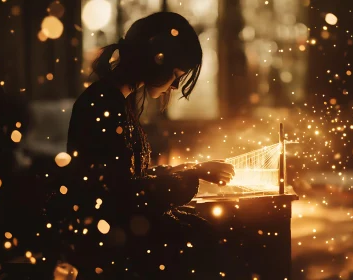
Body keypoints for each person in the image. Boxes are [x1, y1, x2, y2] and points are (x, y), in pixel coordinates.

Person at [50, 12, 246, 279]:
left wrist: (192, 169)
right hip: (111, 247)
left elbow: (130, 179)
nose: (176, 85)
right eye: (175, 74)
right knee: (216, 239)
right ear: (156, 60)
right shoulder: (103, 104)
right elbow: (119, 195)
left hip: (120, 234)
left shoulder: (118, 102)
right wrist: (189, 176)